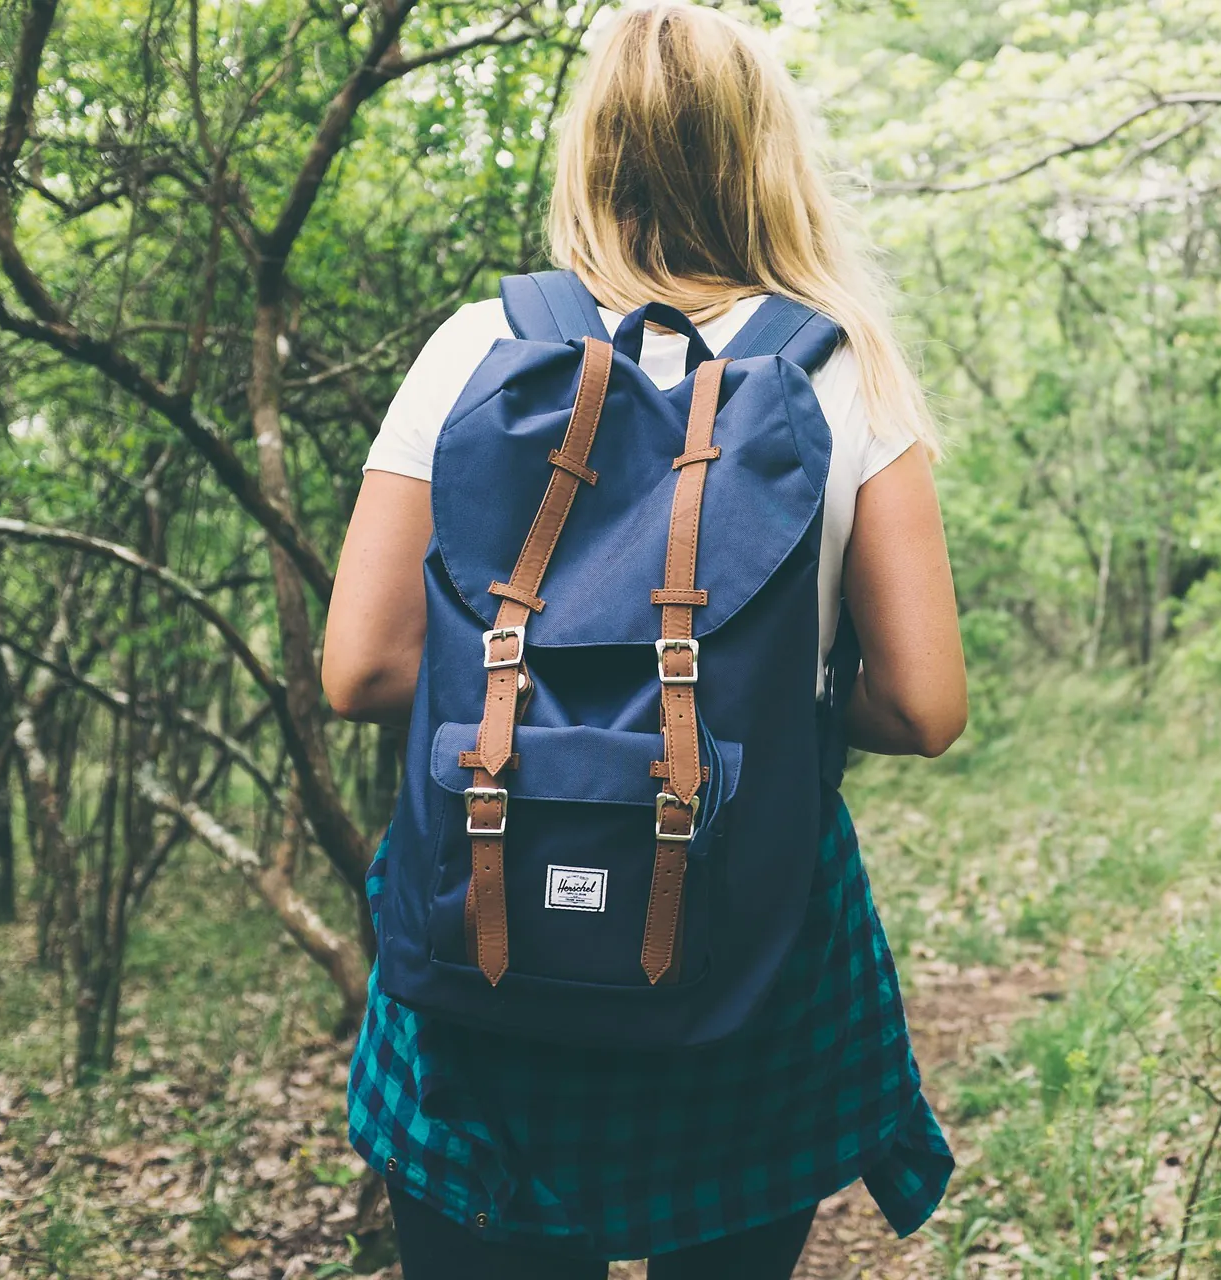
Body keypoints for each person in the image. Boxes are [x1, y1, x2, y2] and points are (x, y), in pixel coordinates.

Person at [320, 5, 966, 1276]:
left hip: (486, 934)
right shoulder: (847, 376)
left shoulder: (477, 348)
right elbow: (926, 706)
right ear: (765, 155)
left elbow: (364, 668)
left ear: (592, 153)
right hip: (746, 950)